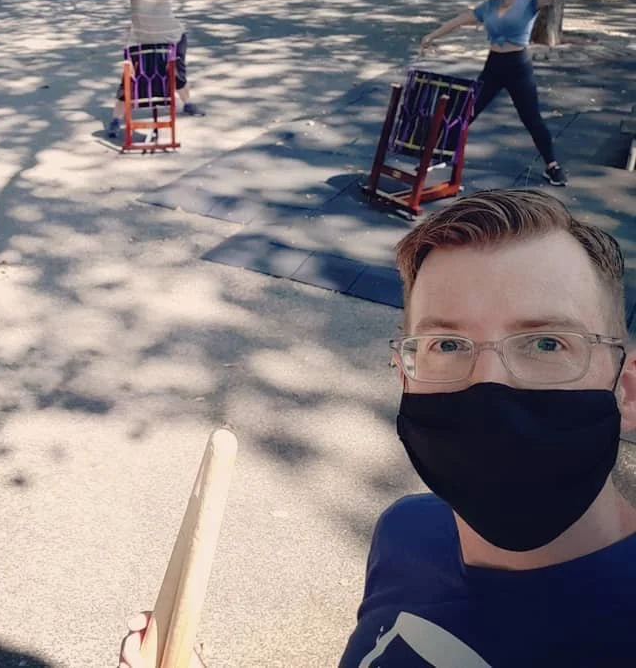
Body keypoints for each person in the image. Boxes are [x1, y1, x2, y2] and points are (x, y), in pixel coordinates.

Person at [119, 188, 636, 667]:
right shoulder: (408, 532)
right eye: (447, 346)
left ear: (627, 388)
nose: (489, 386)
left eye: (547, 344)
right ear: (404, 370)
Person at [419, 0, 602, 186]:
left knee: (531, 118)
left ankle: (552, 165)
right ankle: (440, 152)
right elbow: (461, 19)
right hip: (494, 65)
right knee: (467, 111)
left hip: (518, 66)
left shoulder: (531, 0)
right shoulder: (490, 5)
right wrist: (431, 36)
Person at [106, 0, 215, 138]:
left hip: (171, 40)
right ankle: (115, 120)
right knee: (129, 80)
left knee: (176, 75)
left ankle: (188, 104)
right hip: (140, 42)